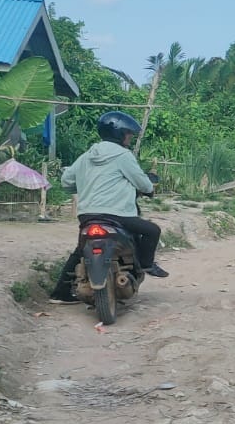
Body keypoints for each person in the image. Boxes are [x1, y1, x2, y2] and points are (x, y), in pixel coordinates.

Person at [48, 111, 168, 304]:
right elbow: (144, 185)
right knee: (152, 230)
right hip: (118, 216)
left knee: (80, 251)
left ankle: (60, 293)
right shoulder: (123, 156)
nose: (129, 137)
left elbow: (65, 182)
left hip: (87, 216)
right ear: (120, 134)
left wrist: (84, 184)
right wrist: (148, 188)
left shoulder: (86, 156)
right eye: (128, 133)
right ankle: (146, 265)